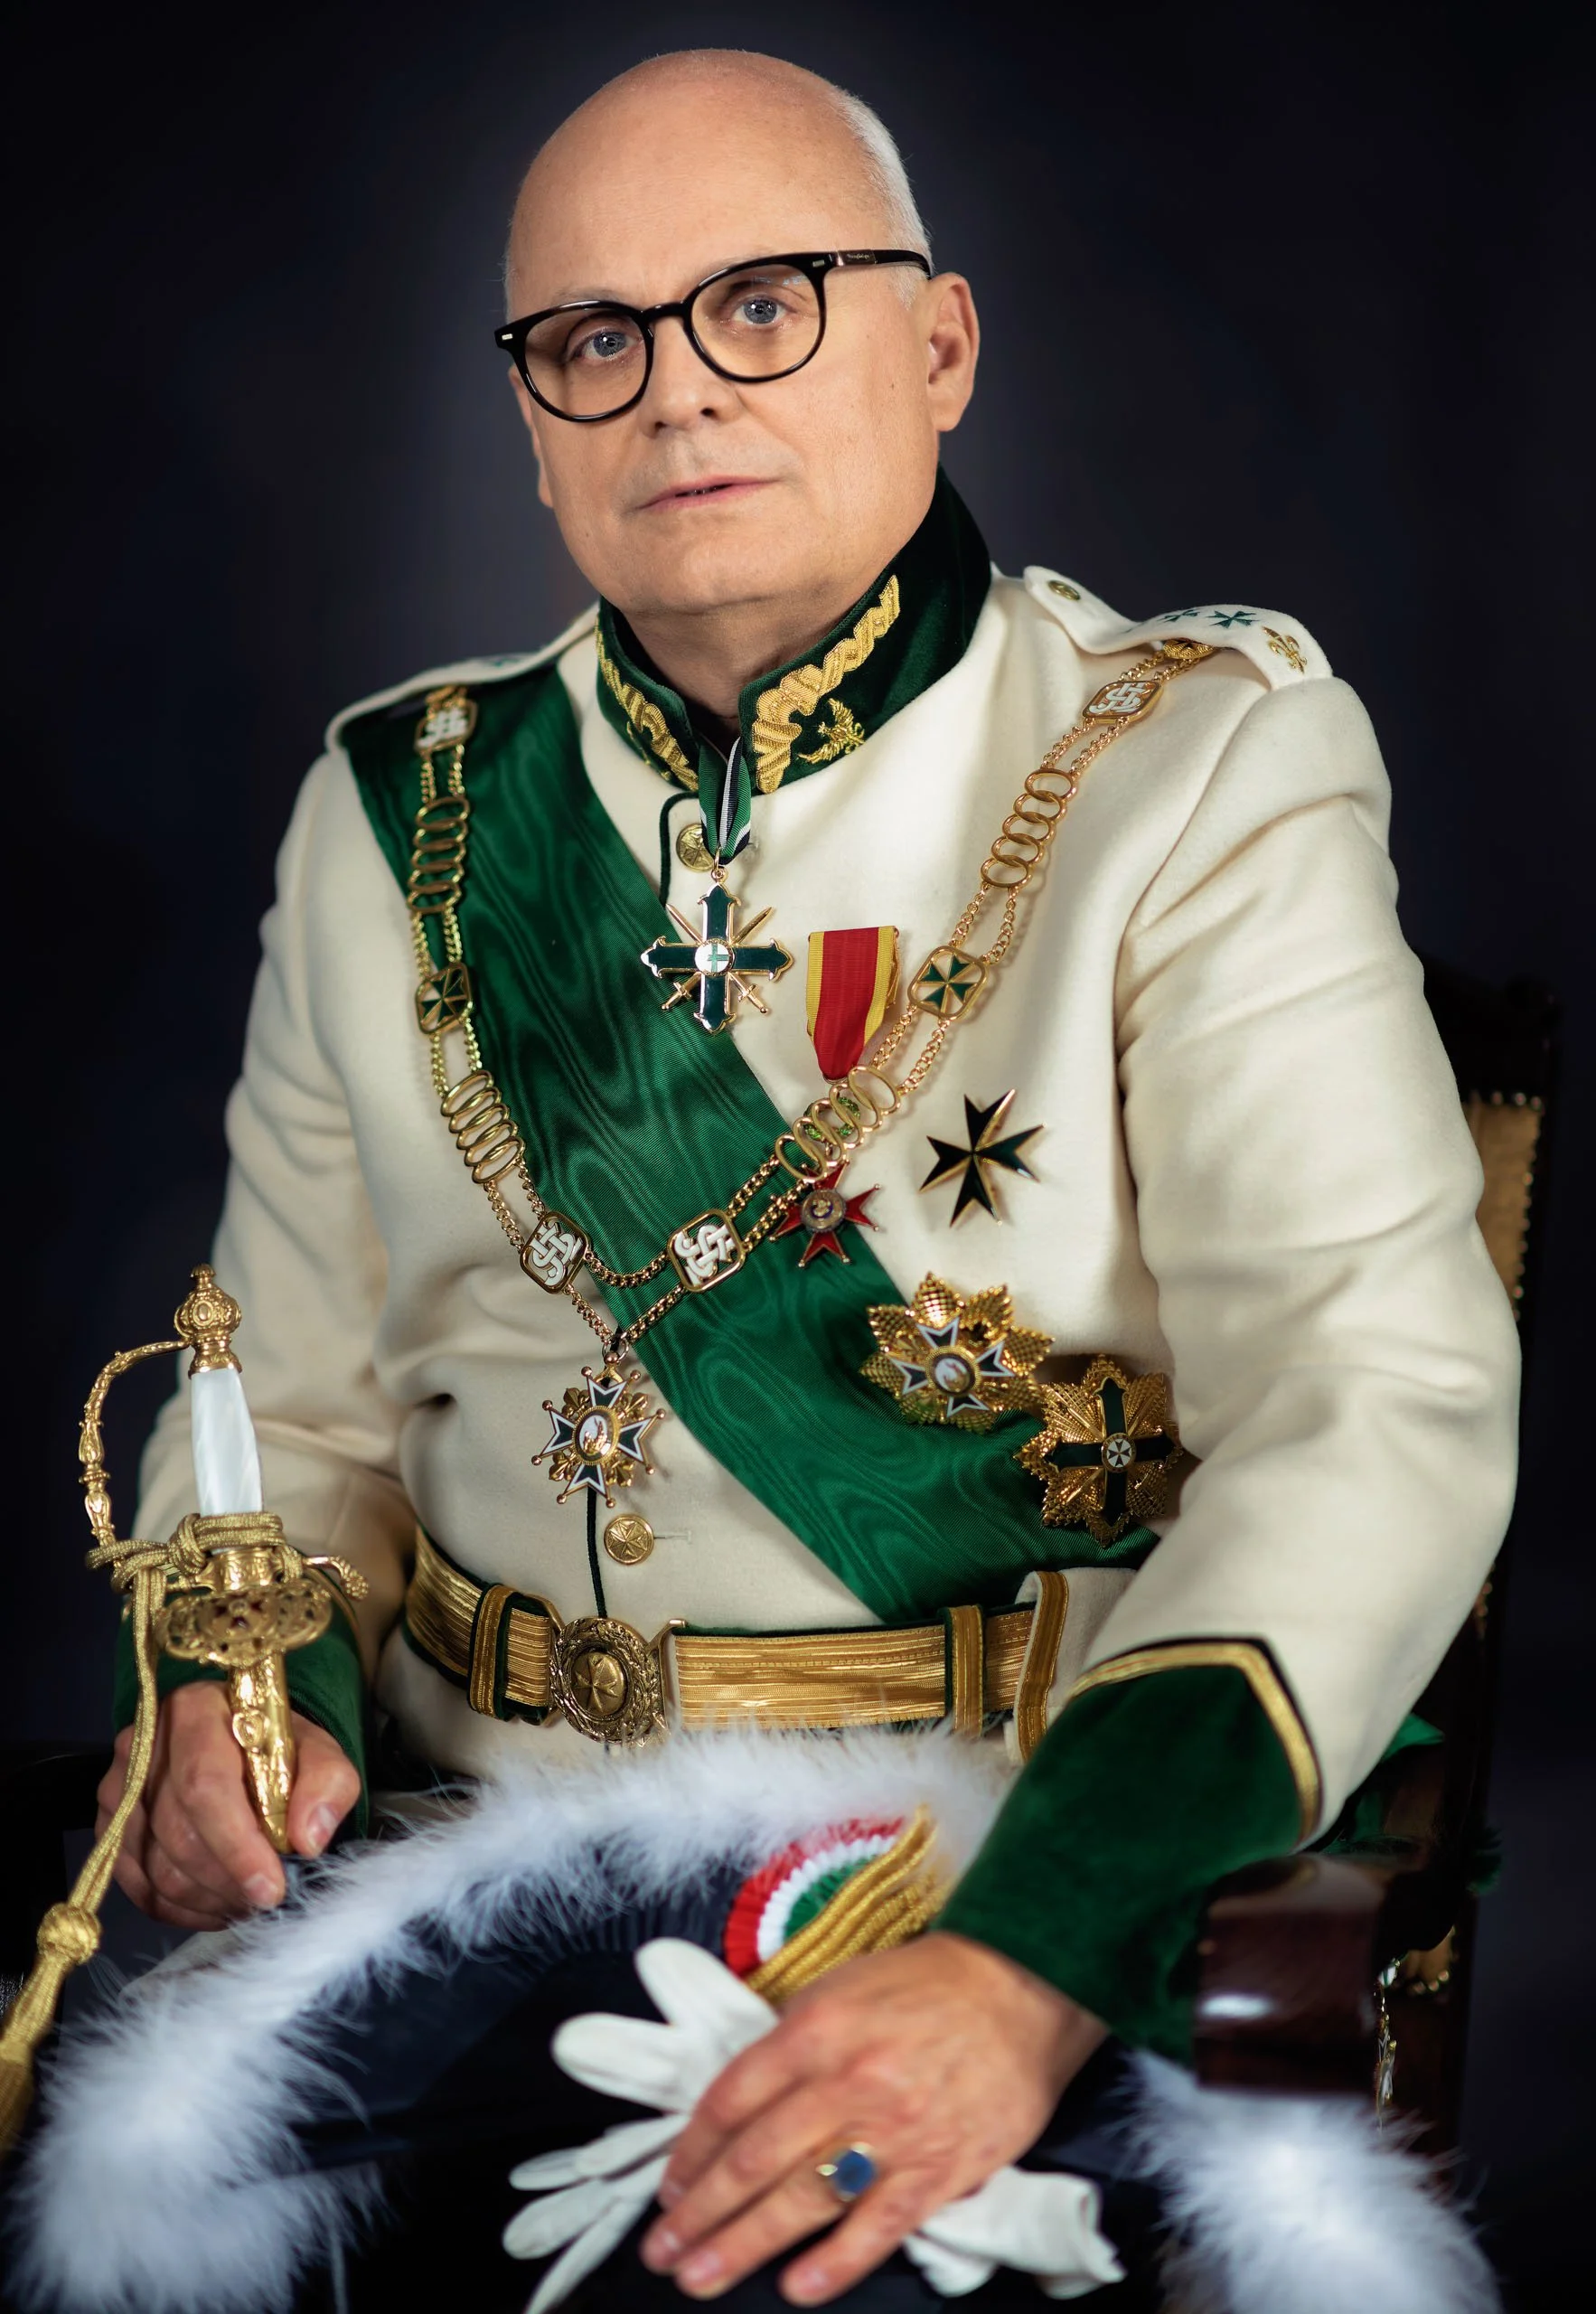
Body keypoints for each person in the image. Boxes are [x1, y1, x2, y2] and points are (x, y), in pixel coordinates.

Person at [65, 43, 1516, 2313]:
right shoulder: (397, 813)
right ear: (533, 423)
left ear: (938, 345)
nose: (675, 392)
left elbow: (1367, 1411)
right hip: (470, 1850)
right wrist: (246, 1696)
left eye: (762, 304)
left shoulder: (1196, 770)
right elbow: (297, 1414)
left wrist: (1025, 1965)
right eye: (593, 338)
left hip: (984, 1853)